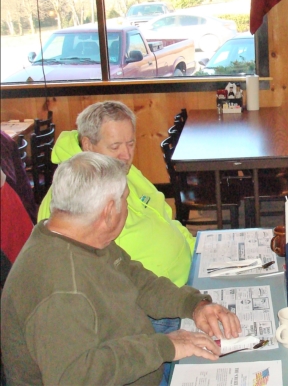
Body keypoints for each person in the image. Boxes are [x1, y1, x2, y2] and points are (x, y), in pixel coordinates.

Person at [1, 152, 242, 386]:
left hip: (145, 364)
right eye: (125, 199)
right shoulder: (60, 289)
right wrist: (164, 346)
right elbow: (77, 377)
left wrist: (193, 305)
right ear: (108, 212)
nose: (127, 206)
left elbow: (137, 280)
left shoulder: (82, 235)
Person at [37, 101, 194, 335]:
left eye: (131, 143)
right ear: (88, 145)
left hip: (181, 283)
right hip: (149, 311)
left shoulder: (120, 171)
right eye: (115, 146)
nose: (126, 155)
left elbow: (165, 217)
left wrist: (196, 250)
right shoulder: (71, 199)